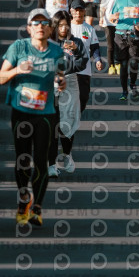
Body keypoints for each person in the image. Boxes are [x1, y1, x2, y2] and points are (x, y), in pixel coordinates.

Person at [0, 8, 66, 226]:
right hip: (22, 112)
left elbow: (60, 75)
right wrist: (18, 70)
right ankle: (24, 197)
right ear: (29, 28)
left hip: (46, 113)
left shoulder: (57, 51)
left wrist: (61, 82)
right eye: (36, 23)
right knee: (23, 159)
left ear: (50, 28)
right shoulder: (18, 47)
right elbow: (1, 78)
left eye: (44, 23)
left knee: (41, 161)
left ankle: (37, 208)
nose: (40, 27)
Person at [48, 10, 87, 178]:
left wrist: (76, 51)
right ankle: (51, 164)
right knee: (52, 125)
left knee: (68, 122)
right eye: (60, 25)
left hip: (70, 82)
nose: (63, 29)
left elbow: (83, 62)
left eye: (66, 25)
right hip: (51, 84)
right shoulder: (48, 43)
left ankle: (66, 154)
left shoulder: (75, 42)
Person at [70, 0, 103, 112]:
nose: (78, 13)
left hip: (84, 69)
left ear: (84, 11)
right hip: (68, 68)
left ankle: (77, 114)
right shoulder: (66, 28)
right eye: (76, 10)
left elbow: (95, 47)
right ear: (71, 11)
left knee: (83, 97)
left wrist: (97, 59)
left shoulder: (89, 29)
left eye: (80, 10)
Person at [99, 0, 125, 75]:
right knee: (110, 46)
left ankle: (118, 64)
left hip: (121, 22)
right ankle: (111, 66)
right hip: (108, 22)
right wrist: (101, 17)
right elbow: (103, 6)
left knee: (120, 45)